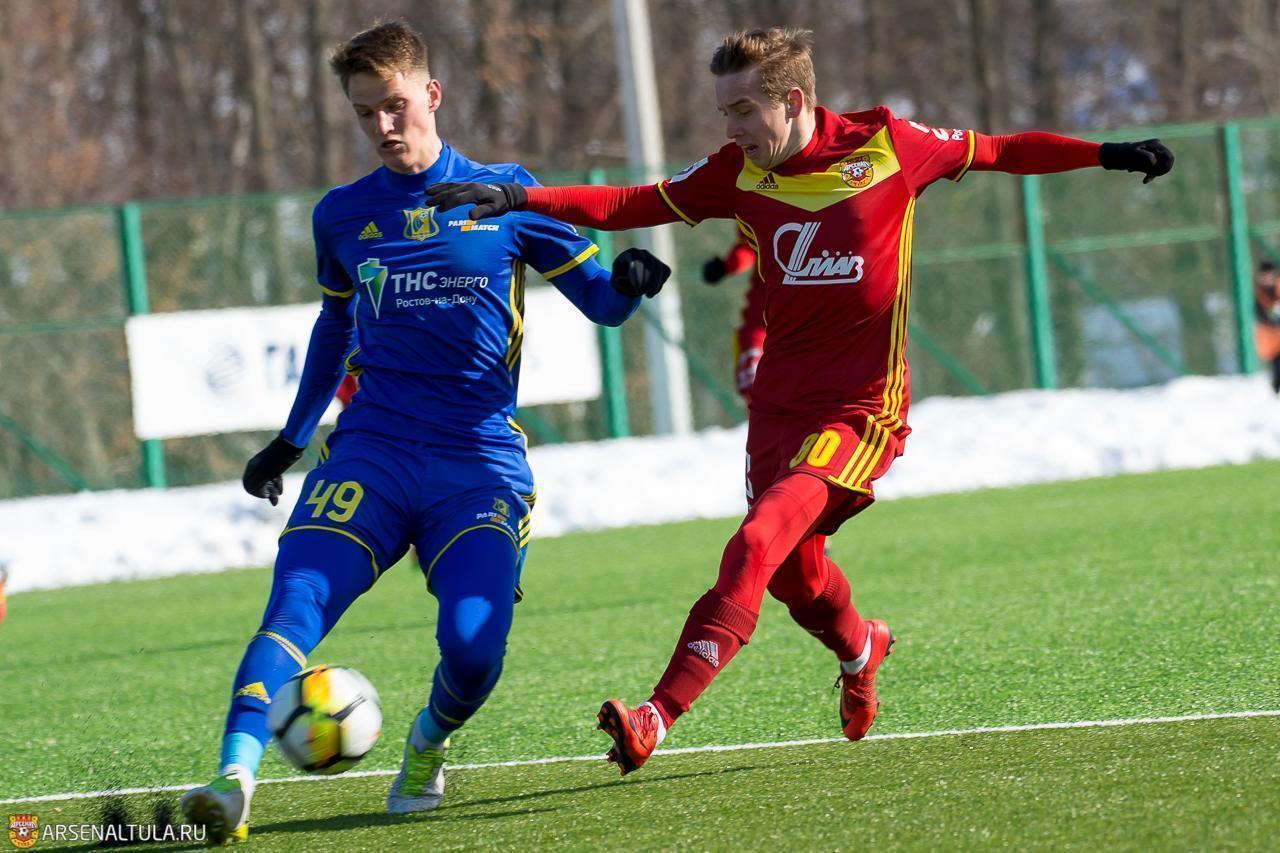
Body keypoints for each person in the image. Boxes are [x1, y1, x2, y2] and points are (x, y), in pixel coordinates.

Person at [427, 27, 1174, 775]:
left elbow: (1003, 150)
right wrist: (520, 198)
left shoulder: (891, 146)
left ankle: (656, 714)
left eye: (743, 110)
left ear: (792, 100)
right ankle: (861, 647)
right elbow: (633, 201)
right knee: (794, 575)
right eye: (724, 112)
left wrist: (1105, 153)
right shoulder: (737, 172)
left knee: (756, 543)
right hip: (778, 410)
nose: (731, 128)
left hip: (860, 410)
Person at [179, 19, 669, 841]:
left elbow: (603, 303)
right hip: (371, 453)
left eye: (394, 105)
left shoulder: (506, 194)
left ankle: (426, 744)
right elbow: (334, 329)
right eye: (364, 112)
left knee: (473, 646)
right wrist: (290, 439)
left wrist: (629, 282)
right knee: (295, 603)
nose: (381, 125)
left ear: (432, 94)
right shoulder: (342, 215)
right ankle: (233, 778)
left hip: (478, 463)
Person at [701, 233, 765, 403]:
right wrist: (726, 266)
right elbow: (749, 248)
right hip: (761, 324)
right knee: (754, 389)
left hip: (811, 327)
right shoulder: (765, 216)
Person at [1254, 261, 1280, 394]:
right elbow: (1262, 316)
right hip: (1271, 341)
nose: (1267, 279)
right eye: (1264, 276)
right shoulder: (1259, 295)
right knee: (1276, 370)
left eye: (1269, 275)